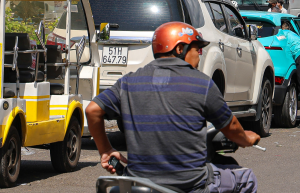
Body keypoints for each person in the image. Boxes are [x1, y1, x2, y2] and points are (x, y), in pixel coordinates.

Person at [85, 22, 259, 193]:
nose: (199, 56)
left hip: (138, 183)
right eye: (197, 50)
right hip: (190, 185)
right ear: (179, 49)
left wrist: (106, 150)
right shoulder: (202, 83)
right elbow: (232, 128)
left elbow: (92, 110)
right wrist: (247, 139)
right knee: (247, 179)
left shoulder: (128, 82)